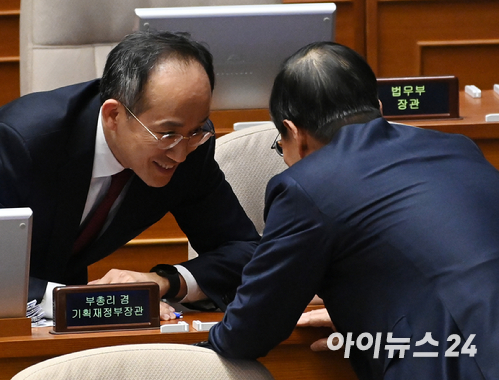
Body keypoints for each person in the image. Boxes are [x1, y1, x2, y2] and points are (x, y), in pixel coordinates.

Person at [206, 41, 499, 379]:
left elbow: (250, 330)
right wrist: (360, 314)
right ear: (377, 107)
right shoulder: (457, 148)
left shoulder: (306, 185)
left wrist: (195, 352)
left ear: (292, 132)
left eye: (279, 146)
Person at [0, 30, 260, 319]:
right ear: (113, 116)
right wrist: (98, 304)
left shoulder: (191, 145)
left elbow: (244, 250)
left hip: (45, 287)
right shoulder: (24, 140)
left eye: (196, 131)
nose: (181, 151)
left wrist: (165, 281)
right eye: (167, 134)